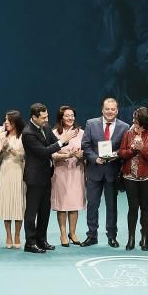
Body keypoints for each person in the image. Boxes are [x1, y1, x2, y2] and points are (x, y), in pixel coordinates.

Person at [22, 104, 79, 254]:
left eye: (47, 116)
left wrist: (68, 147)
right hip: (34, 178)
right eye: (43, 117)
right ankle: (30, 242)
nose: (46, 119)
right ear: (34, 117)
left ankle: (42, 240)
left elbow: (55, 143)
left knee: (44, 210)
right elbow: (44, 152)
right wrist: (62, 141)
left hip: (47, 175)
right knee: (32, 211)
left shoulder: (45, 127)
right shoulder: (28, 133)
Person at [80, 98, 129, 248]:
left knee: (112, 206)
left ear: (117, 110)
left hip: (112, 172)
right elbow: (85, 145)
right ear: (102, 110)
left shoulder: (124, 127)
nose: (110, 112)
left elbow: (124, 148)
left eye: (112, 109)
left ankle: (112, 236)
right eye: (107, 109)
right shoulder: (91, 123)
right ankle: (92, 235)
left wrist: (115, 154)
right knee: (92, 205)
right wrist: (95, 158)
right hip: (95, 170)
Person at [118, 107, 148, 251]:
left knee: (146, 209)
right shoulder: (128, 133)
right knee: (132, 208)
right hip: (130, 177)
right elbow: (122, 153)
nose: (133, 121)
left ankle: (144, 238)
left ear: (143, 120)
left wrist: (142, 149)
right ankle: (131, 238)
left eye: (136, 118)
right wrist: (132, 150)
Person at [51, 106, 86, 247]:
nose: (70, 118)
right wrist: (67, 155)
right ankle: (63, 234)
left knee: (74, 204)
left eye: (72, 115)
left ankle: (73, 232)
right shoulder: (54, 133)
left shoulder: (81, 133)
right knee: (62, 205)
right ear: (61, 118)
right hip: (61, 172)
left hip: (77, 171)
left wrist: (81, 155)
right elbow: (52, 154)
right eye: (67, 116)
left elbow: (86, 150)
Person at [0, 111, 27, 249]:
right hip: (5, 170)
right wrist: (2, 149)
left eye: (8, 121)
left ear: (15, 122)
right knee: (7, 203)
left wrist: (10, 148)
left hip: (19, 170)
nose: (6, 123)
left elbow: (23, 156)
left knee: (18, 203)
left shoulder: (24, 135)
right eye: (5, 120)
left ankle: (18, 235)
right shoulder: (2, 135)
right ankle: (8, 235)